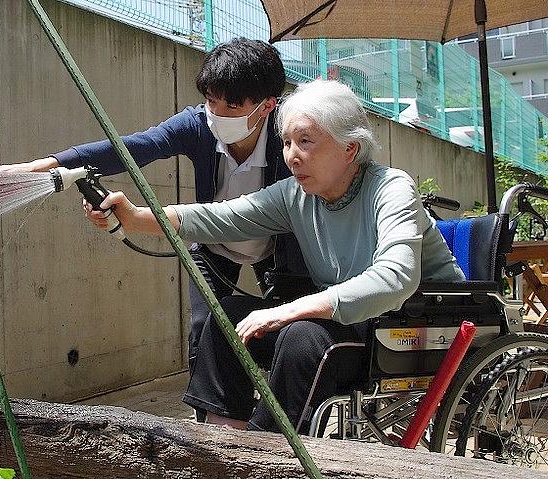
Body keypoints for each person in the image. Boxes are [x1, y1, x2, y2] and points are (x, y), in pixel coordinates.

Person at [83, 79, 466, 433]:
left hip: (415, 323)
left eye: (306, 142)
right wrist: (135, 217)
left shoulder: (391, 187)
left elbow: (396, 278)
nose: (292, 156)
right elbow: (219, 217)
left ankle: (268, 448)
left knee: (302, 336)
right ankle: (223, 437)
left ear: (350, 148)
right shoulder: (294, 195)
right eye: (286, 142)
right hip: (351, 320)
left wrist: (289, 309)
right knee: (226, 317)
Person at [0, 38, 314, 419]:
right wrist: (38, 168)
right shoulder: (198, 125)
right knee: (206, 330)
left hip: (278, 250)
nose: (217, 113)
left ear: (268, 105)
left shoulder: (291, 138)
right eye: (211, 100)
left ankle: (280, 432)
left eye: (232, 105)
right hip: (211, 246)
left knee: (287, 333)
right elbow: (135, 146)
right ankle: (218, 433)